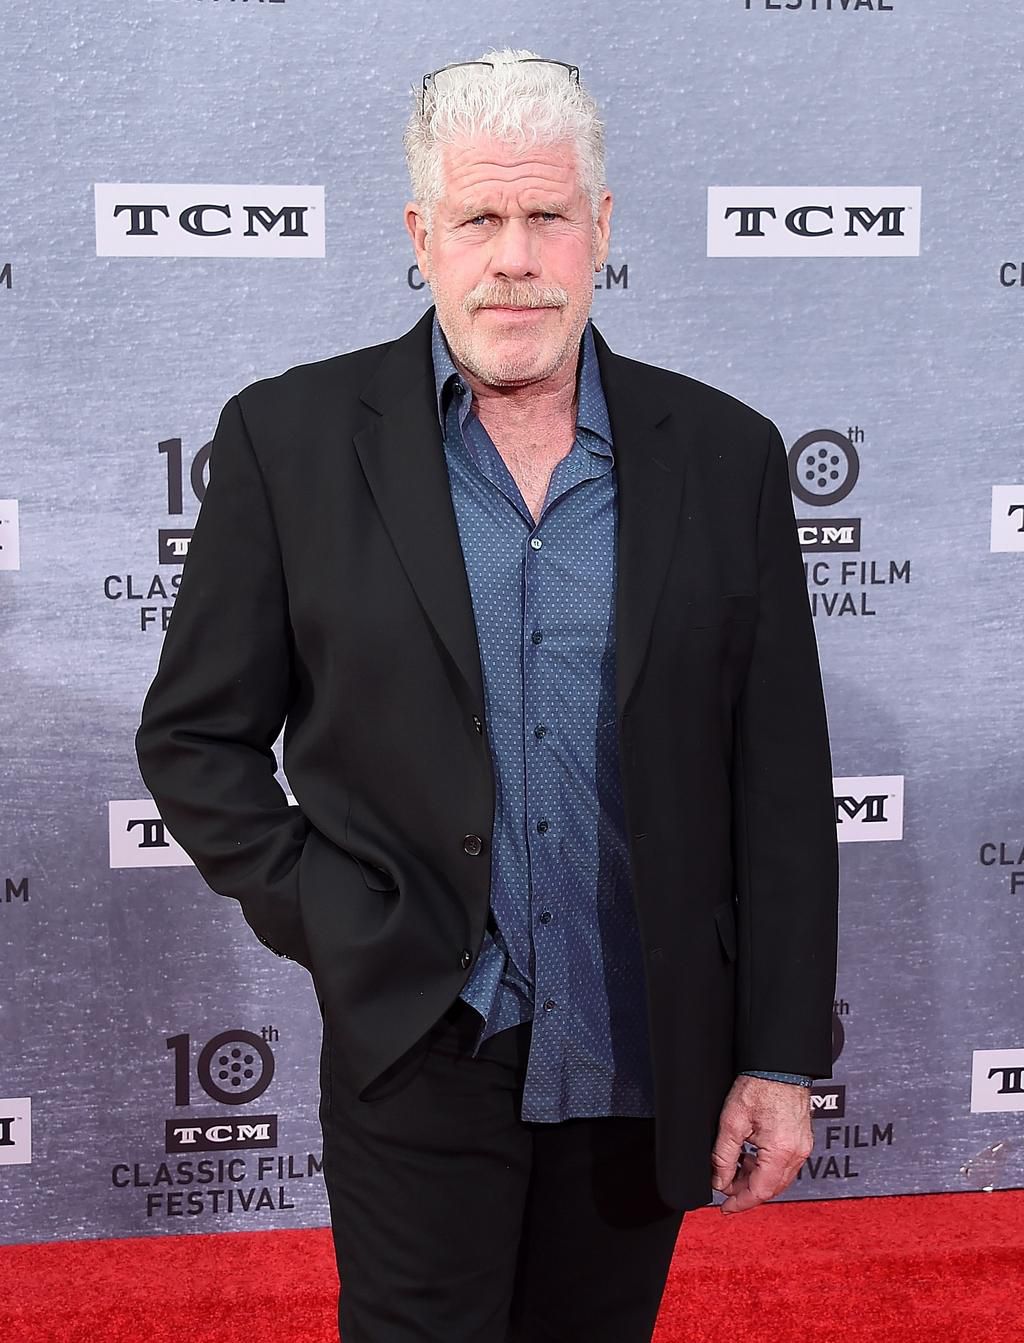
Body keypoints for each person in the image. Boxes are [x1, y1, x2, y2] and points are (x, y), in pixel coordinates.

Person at [136, 48, 839, 1343]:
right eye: (479, 218)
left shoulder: (725, 454)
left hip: (642, 1051)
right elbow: (193, 739)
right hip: (419, 1045)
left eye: (546, 216)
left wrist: (780, 1055)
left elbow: (783, 785)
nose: (515, 259)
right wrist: (339, 917)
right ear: (423, 236)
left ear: (600, 228)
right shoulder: (289, 441)